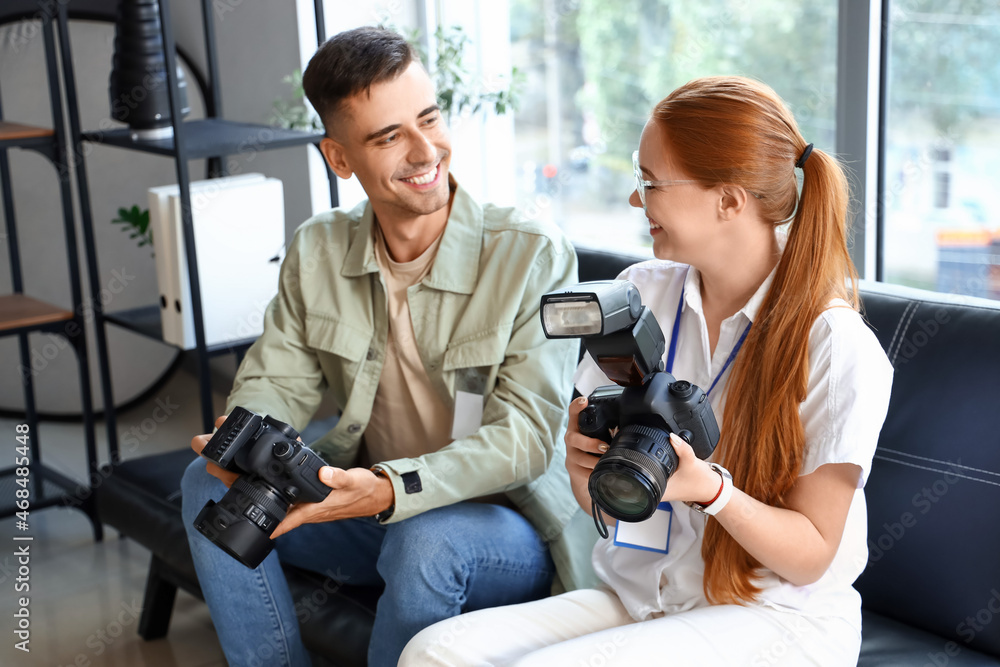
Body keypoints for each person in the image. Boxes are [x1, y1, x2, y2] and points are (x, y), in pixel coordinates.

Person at [401, 75, 894, 666]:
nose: (637, 200)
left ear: (729, 199)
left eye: (652, 183)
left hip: (776, 616)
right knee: (433, 653)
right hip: (647, 597)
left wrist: (710, 491)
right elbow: (602, 503)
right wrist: (586, 471)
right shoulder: (639, 295)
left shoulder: (835, 345)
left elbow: (811, 554)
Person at [180, 26, 598, 667]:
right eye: (389, 136)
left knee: (424, 540)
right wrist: (245, 438)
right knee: (205, 486)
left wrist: (388, 488)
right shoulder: (318, 248)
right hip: (367, 507)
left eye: (428, 118)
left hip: (497, 530)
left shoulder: (530, 254)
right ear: (340, 158)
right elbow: (278, 381)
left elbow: (525, 440)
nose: (426, 149)